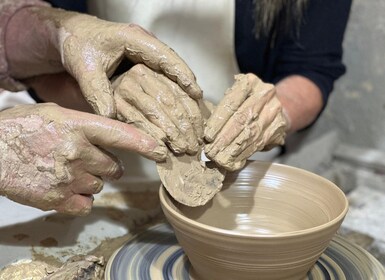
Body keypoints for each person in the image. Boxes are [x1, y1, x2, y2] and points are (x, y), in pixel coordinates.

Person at [0, 0, 352, 214]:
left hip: (237, 156)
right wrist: (105, 91)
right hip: (94, 158)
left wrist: (276, 110)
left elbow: (312, 67)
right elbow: (36, 67)